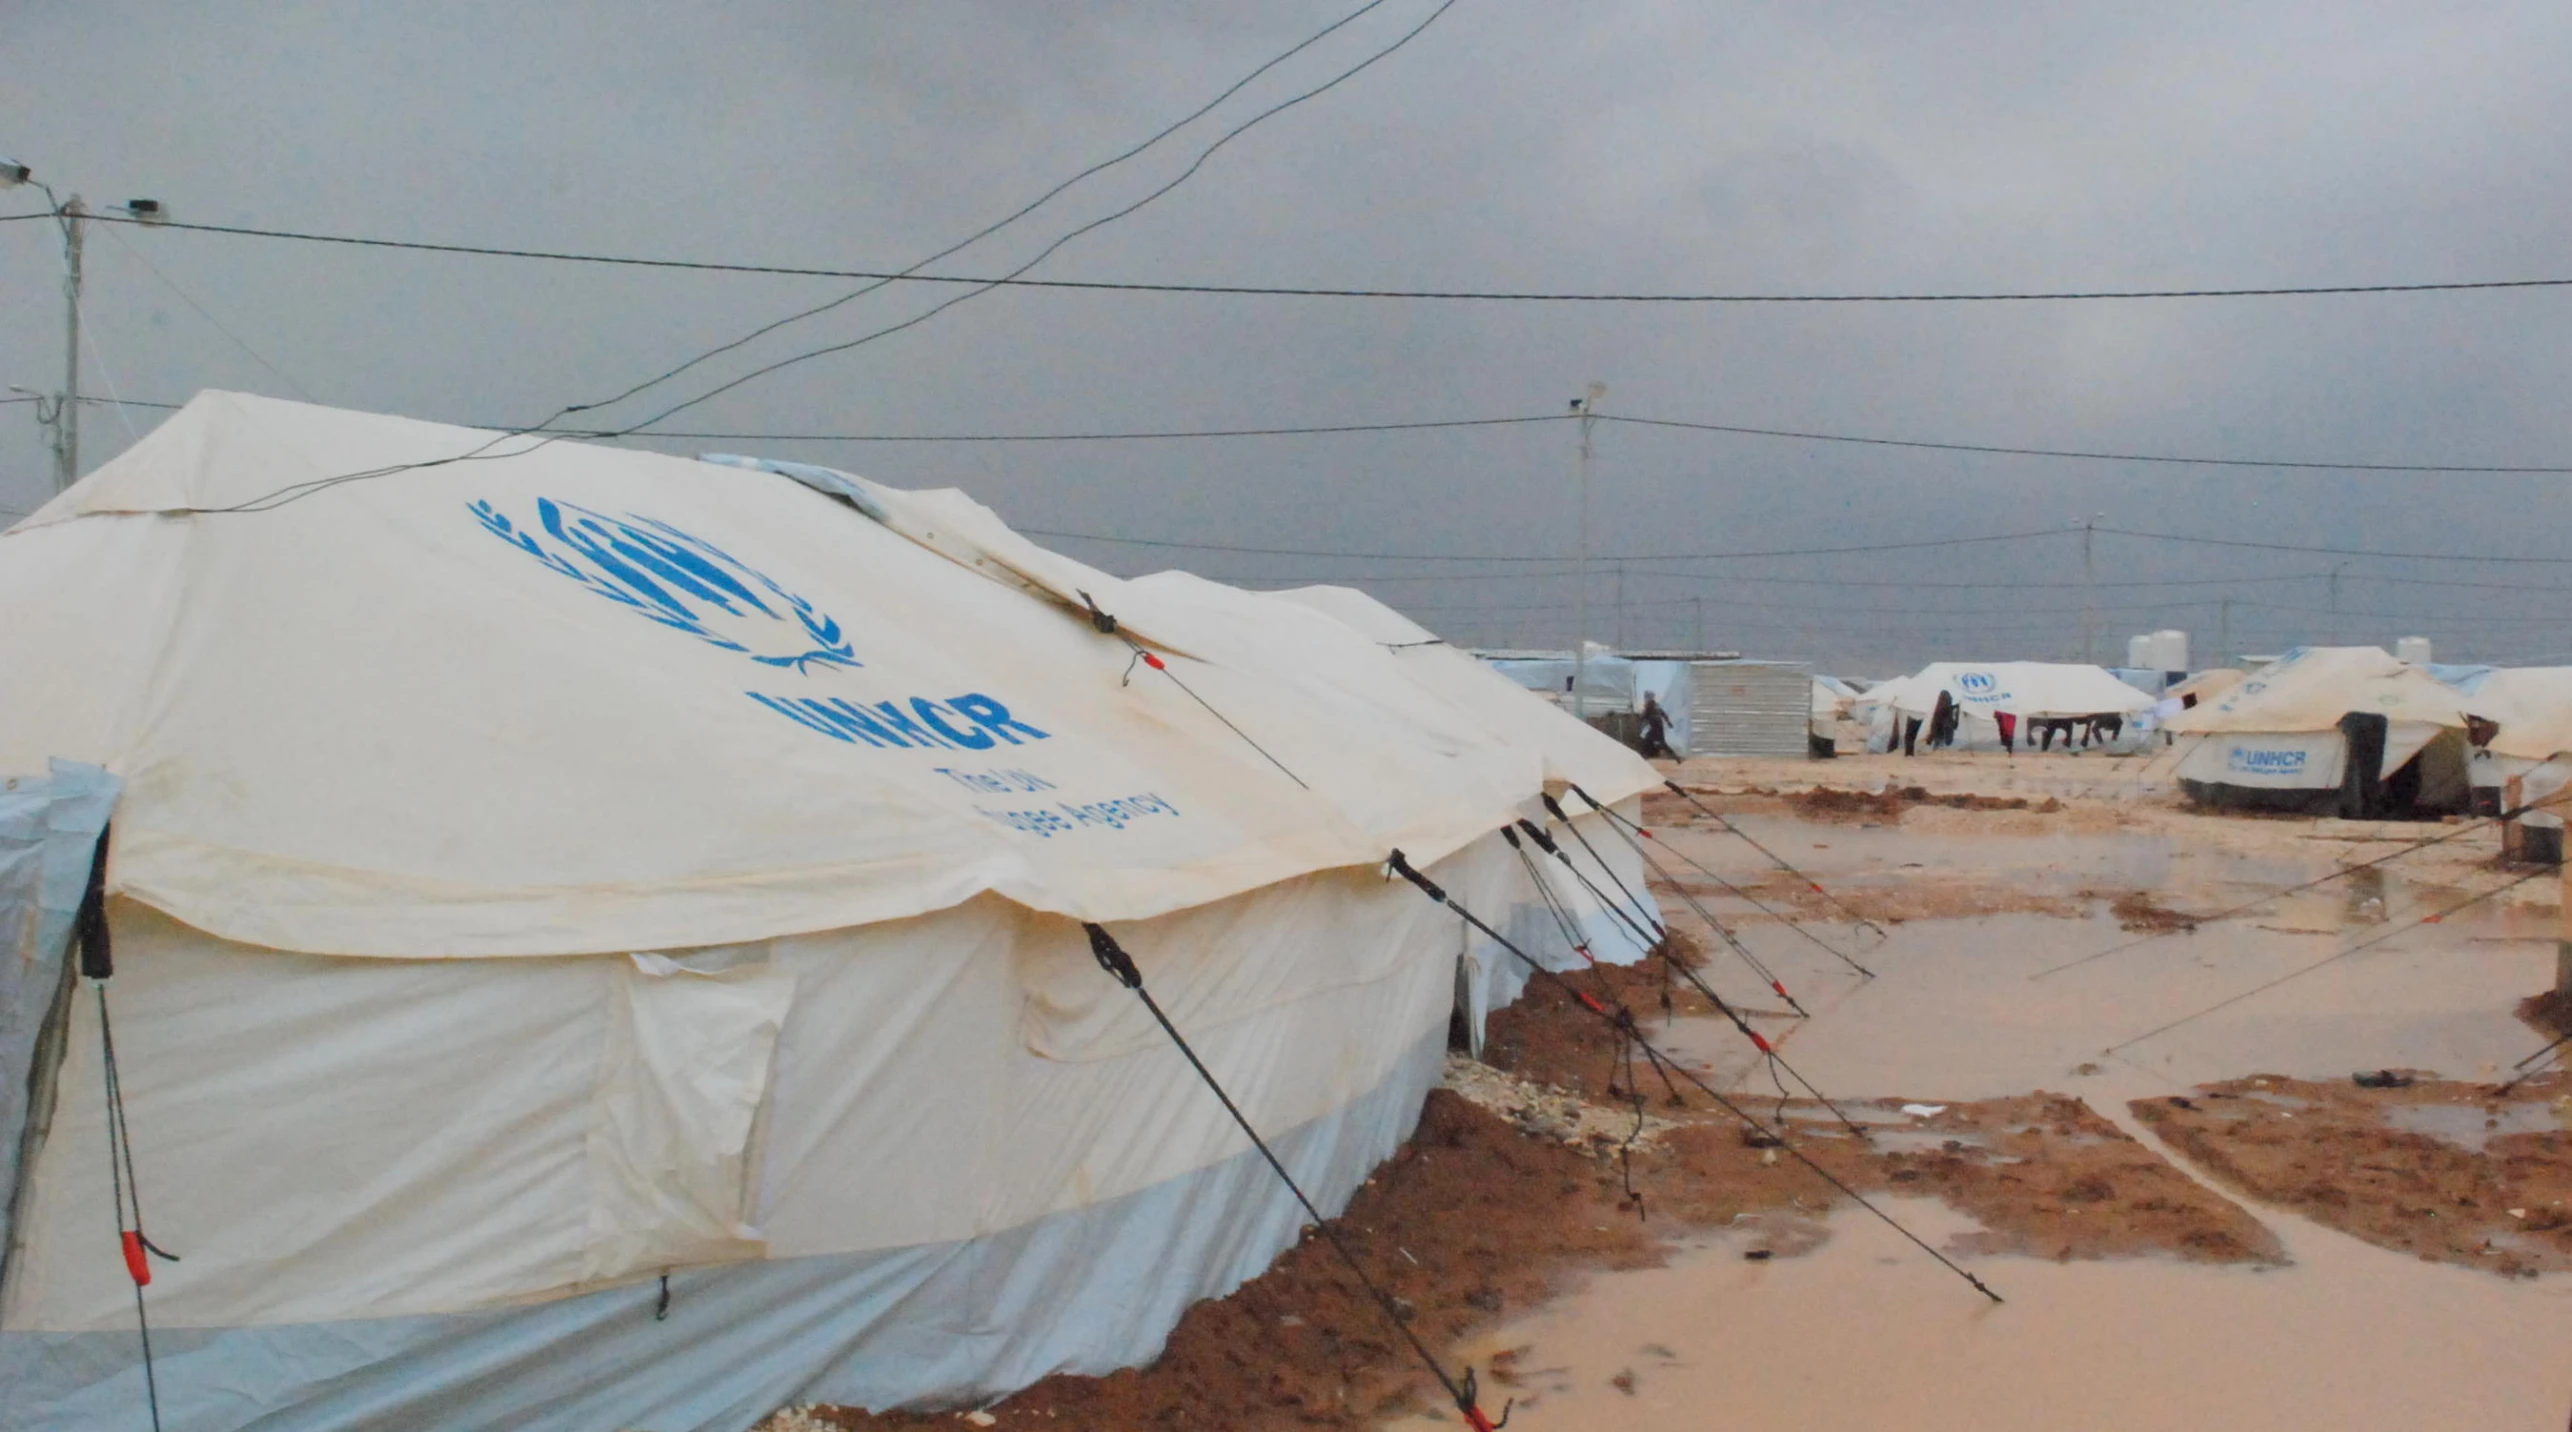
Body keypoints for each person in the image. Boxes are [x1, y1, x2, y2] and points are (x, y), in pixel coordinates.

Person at [1636, 692, 1677, 760]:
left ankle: (1643, 756)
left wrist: (1640, 724)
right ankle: (1675, 756)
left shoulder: (1649, 710)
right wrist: (1669, 723)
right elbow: (1664, 715)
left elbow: (1642, 718)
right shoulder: (1657, 709)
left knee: (1646, 741)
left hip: (1654, 729)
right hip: (1659, 729)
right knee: (1662, 744)